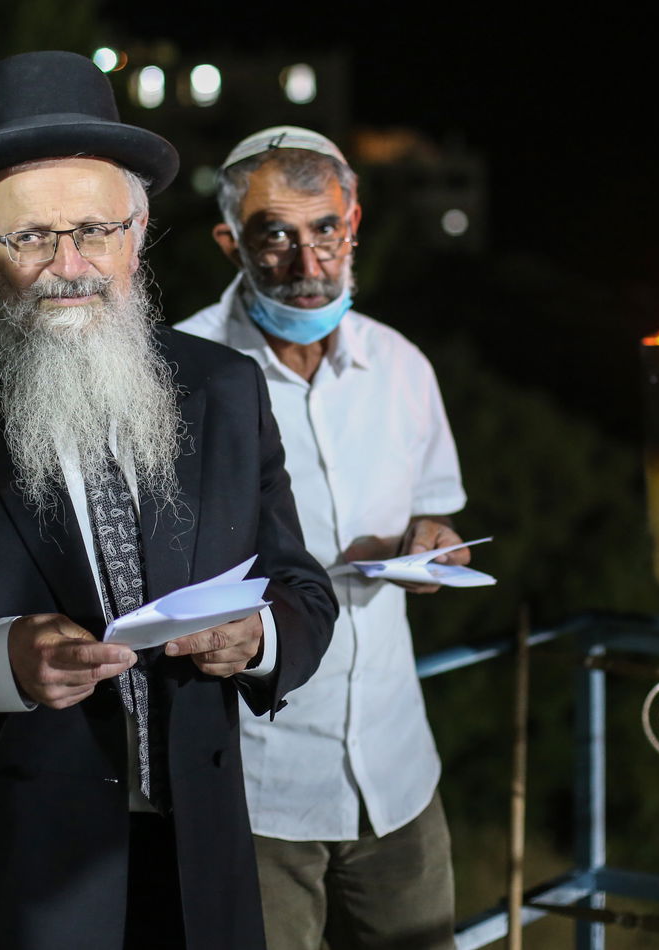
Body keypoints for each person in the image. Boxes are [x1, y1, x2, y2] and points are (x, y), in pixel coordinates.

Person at [0, 53, 336, 950]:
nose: (68, 266)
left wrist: (261, 636)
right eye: (31, 236)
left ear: (138, 232)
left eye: (94, 230)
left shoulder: (226, 387)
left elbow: (301, 588)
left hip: (196, 874)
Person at [175, 126, 469, 950]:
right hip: (258, 785)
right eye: (276, 236)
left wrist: (431, 544)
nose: (308, 264)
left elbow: (436, 513)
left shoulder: (403, 367)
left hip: (398, 772)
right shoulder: (182, 373)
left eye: (326, 230)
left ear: (354, 224)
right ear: (230, 242)